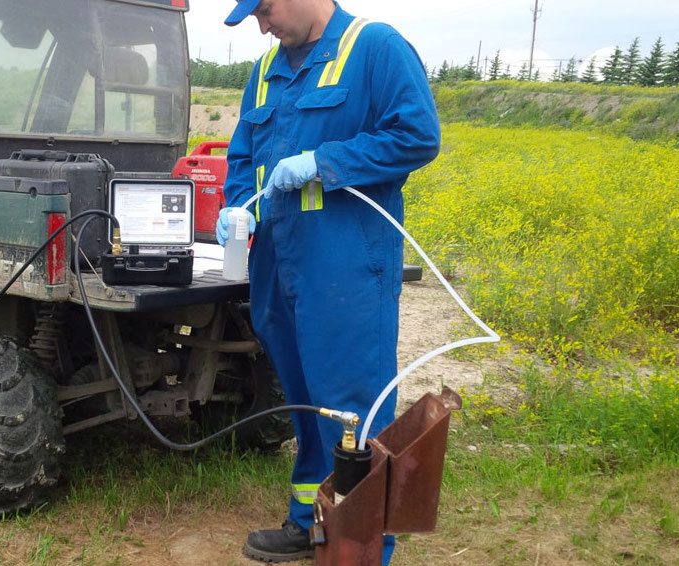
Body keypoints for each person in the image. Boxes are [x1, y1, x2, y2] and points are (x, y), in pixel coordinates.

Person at [216, 0, 441, 562]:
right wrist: (237, 206)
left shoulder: (375, 48)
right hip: (278, 266)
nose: (262, 26)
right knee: (307, 407)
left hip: (345, 269)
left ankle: (363, 547)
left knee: (353, 413)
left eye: (263, 10)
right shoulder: (267, 71)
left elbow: (417, 135)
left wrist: (325, 162)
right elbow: (244, 156)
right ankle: (308, 524)